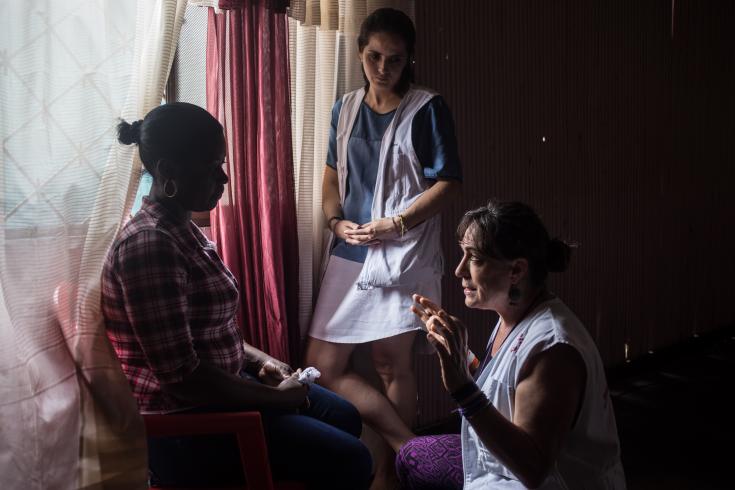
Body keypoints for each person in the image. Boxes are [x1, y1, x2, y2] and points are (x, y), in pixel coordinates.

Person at [102, 102, 372, 489]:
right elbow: (183, 378)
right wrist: (278, 399)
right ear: (167, 172)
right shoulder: (150, 247)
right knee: (351, 460)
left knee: (344, 416)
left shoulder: (181, 228)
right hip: (187, 424)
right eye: (211, 167)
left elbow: (209, 332)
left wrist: (266, 361)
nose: (223, 178)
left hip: (217, 391)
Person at [304, 7, 462, 486]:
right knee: (321, 365)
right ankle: (411, 449)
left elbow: (448, 183)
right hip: (351, 251)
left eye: (394, 59)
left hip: (403, 255)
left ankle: (389, 479)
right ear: (360, 53)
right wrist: (334, 221)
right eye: (374, 56)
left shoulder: (427, 108)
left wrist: (397, 222)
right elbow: (331, 176)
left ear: (408, 59)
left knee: (390, 363)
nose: (383, 68)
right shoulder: (345, 108)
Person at [396, 200, 626, 489]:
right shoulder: (516, 314)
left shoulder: (554, 351)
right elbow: (506, 387)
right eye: (461, 255)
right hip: (502, 471)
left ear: (516, 271)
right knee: (412, 454)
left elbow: (532, 468)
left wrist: (463, 390)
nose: (459, 270)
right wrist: (457, 351)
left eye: (475, 259)